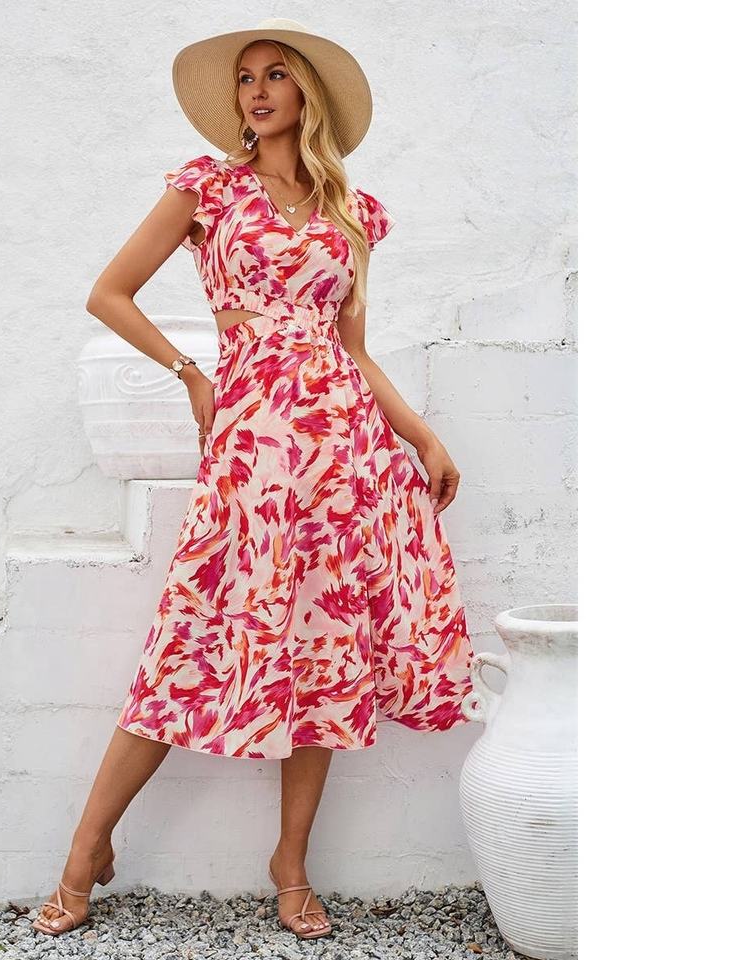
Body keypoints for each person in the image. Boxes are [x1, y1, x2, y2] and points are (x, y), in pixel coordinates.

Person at [32, 18, 475, 942]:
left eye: (276, 74)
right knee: (189, 639)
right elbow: (109, 292)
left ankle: (291, 865)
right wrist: (190, 373)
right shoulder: (208, 188)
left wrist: (422, 436)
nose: (258, 90)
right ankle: (86, 845)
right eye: (245, 78)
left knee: (324, 649)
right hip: (251, 446)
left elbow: (354, 352)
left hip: (344, 455)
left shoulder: (354, 214)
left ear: (307, 92)